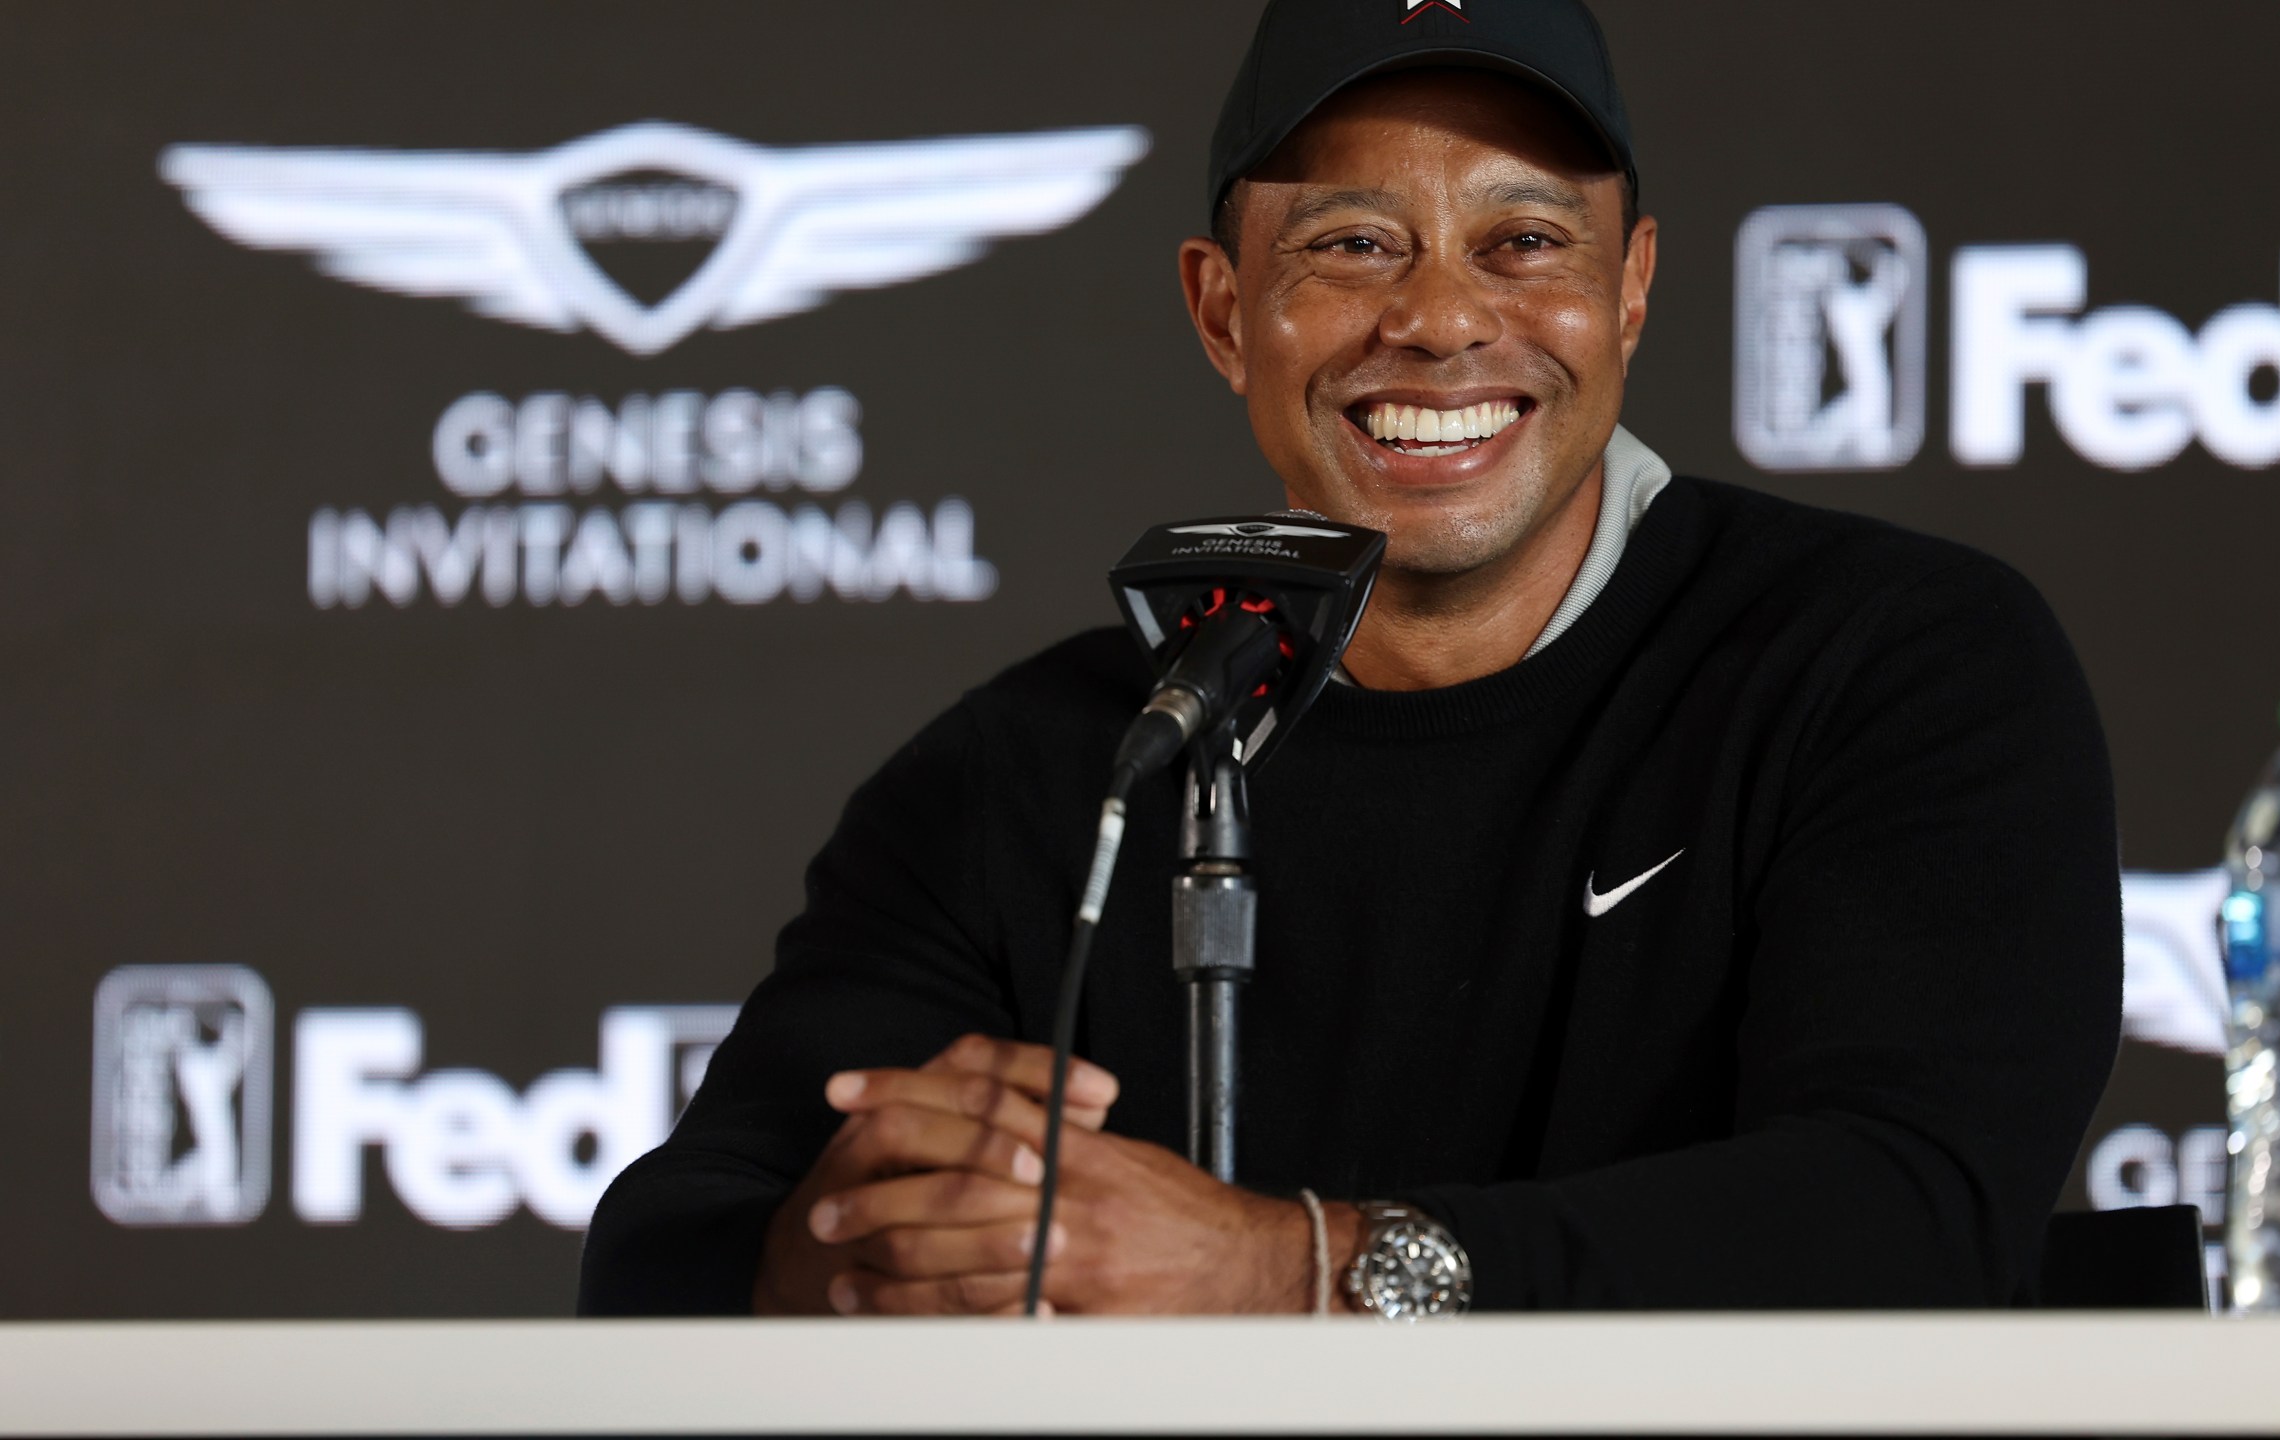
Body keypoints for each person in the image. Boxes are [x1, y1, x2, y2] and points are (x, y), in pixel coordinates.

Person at [580, 0, 2122, 1318]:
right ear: (1222, 310)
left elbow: (1908, 1213)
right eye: (1352, 243)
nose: (1443, 317)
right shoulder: (1055, 767)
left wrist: (1289, 1270)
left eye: (1526, 240)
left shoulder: (1887, 661)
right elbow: (665, 1249)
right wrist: (849, 1247)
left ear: (1634, 287)